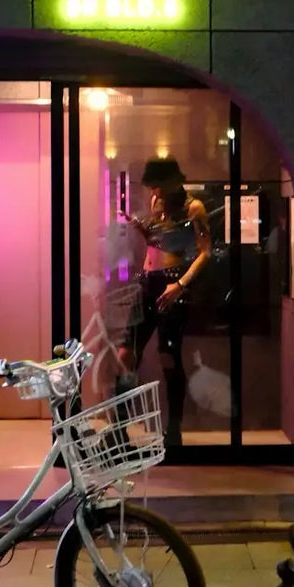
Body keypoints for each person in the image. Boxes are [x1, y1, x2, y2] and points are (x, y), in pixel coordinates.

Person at [116, 157, 211, 450]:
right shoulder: (158, 202)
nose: (154, 192)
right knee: (125, 354)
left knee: (168, 355)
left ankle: (174, 429)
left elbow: (205, 251)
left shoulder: (193, 207)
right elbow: (158, 241)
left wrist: (181, 284)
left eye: (157, 185)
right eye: (151, 187)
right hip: (148, 281)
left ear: (172, 182)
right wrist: (141, 228)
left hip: (172, 282)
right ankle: (120, 430)